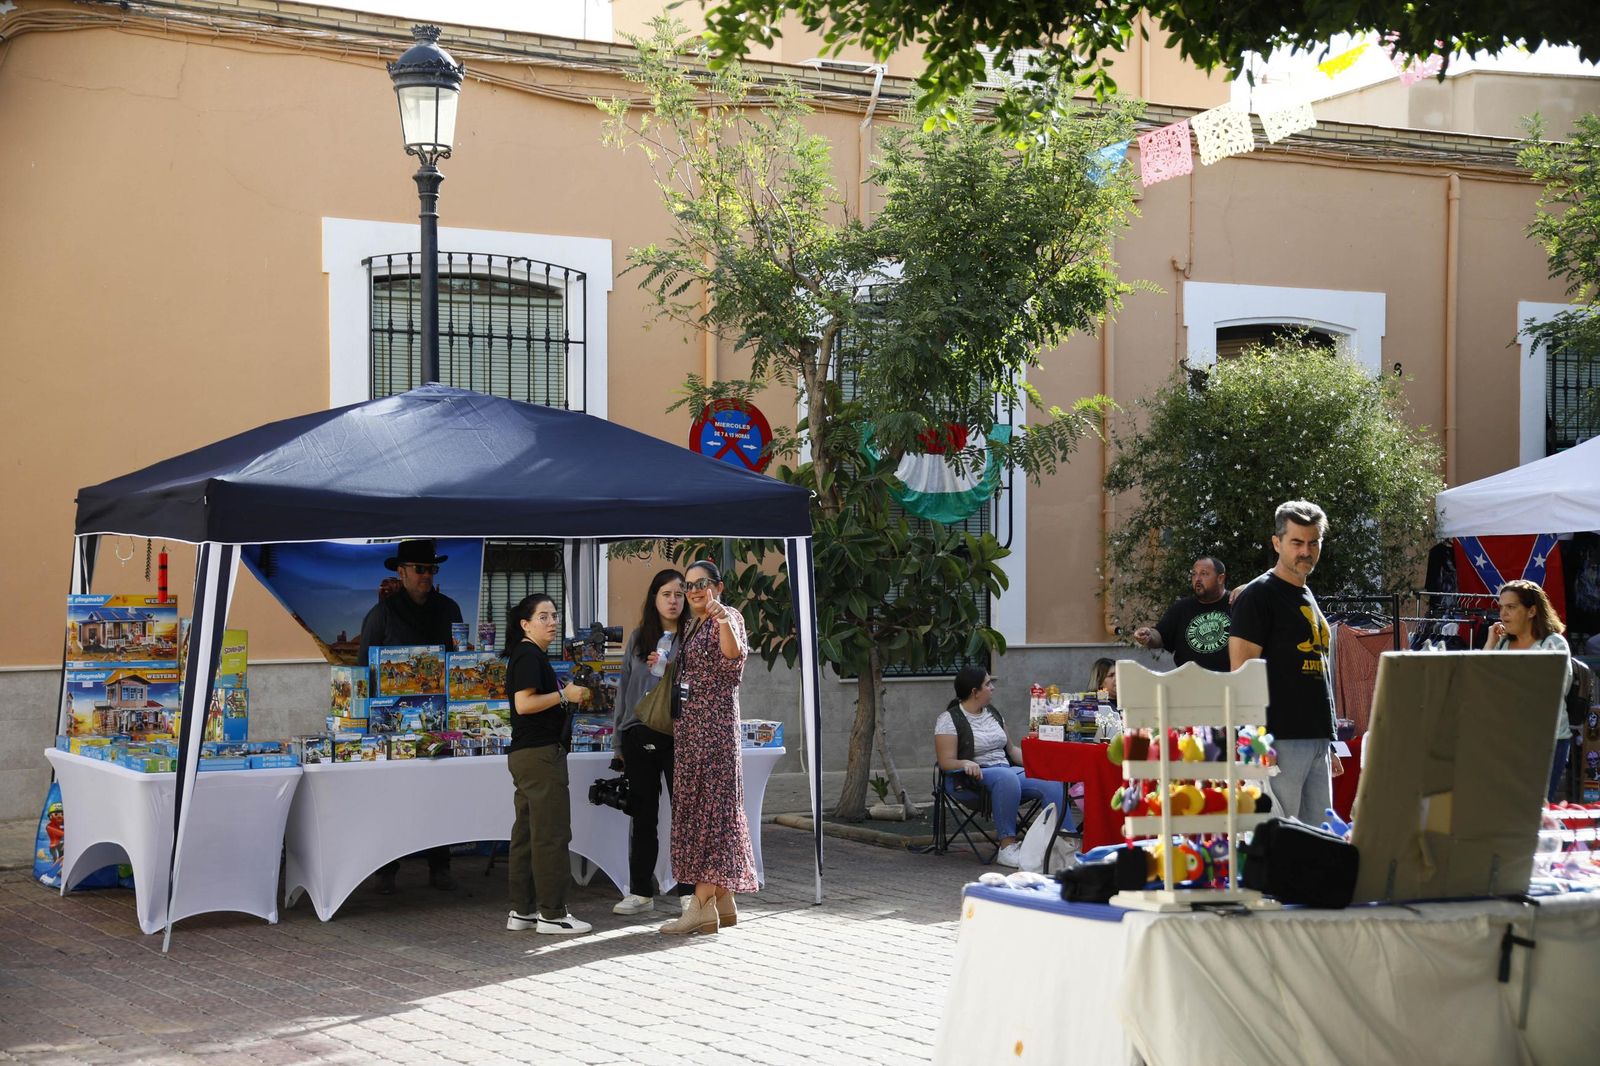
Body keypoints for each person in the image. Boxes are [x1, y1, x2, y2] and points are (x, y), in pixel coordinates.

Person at [358, 539, 463, 893]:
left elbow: (461, 659)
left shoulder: (449, 609)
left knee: (439, 794)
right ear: (401, 572)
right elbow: (363, 671)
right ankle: (386, 869)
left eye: (431, 569)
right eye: (419, 569)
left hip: (439, 720)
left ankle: (440, 865)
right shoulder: (382, 614)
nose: (426, 575)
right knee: (391, 796)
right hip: (392, 722)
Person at [657, 560, 757, 936]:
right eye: (690, 585)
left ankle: (700, 907)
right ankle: (723, 900)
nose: (694, 591)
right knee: (701, 811)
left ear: (719, 586)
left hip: (713, 733)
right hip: (691, 733)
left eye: (702, 583)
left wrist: (722, 618)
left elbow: (732, 657)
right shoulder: (693, 623)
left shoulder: (726, 617)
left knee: (711, 815)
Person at [1228, 501, 1343, 825]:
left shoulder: (1306, 594)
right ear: (1277, 543)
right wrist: (1252, 745)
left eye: (1313, 542)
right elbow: (1241, 674)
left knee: (1320, 841)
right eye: (1297, 542)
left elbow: (1315, 673)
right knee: (1281, 842)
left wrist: (1328, 742)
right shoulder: (1258, 596)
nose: (1306, 551)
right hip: (1276, 741)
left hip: (1315, 739)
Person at [503, 593, 593, 935]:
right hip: (540, 754)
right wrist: (564, 695)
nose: (552, 622)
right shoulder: (528, 655)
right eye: (543, 617)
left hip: (529, 754)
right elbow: (524, 705)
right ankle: (552, 914)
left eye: (554, 615)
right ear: (525, 624)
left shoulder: (528, 655)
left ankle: (523, 911)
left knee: (527, 834)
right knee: (551, 835)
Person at [935, 666, 1072, 868]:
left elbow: (1012, 750)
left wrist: (1043, 765)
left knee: (1050, 781)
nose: (993, 688)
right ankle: (1007, 847)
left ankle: (1068, 844)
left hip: (1006, 772)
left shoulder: (993, 713)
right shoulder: (948, 719)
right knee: (1006, 777)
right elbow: (945, 762)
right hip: (970, 778)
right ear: (975, 692)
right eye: (988, 684)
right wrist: (965, 762)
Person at [609, 568, 686, 916]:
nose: (673, 601)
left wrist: (671, 667)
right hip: (638, 735)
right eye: (666, 594)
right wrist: (618, 743)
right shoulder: (640, 638)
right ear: (654, 598)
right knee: (643, 815)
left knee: (685, 815)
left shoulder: (693, 637)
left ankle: (689, 891)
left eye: (679, 594)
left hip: (681, 736)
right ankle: (640, 891)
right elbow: (624, 690)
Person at [1486, 579, 1573, 802]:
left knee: (1535, 808)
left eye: (1511, 607)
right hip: (1508, 741)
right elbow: (1482, 681)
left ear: (1532, 611)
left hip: (1547, 740)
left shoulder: (1552, 643)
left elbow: (1552, 690)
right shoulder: (1503, 644)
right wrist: (1490, 643)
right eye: (1501, 607)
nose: (1503, 614)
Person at [1132, 556, 1232, 671]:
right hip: (1188, 679)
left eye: (1204, 574)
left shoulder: (1236, 603)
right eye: (1194, 574)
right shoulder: (1182, 607)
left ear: (1220, 578)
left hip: (1228, 678)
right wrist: (1149, 636)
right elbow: (1161, 635)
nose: (1197, 579)